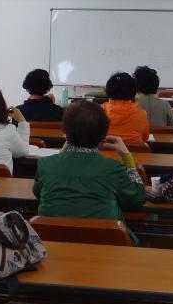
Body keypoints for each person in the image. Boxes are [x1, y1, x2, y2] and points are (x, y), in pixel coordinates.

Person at [33, 100, 147, 245]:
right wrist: (127, 157)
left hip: (54, 245)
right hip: (106, 246)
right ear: (103, 135)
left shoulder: (45, 165)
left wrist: (61, 154)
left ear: (65, 132)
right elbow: (137, 198)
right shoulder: (113, 168)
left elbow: (39, 193)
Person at [101, 72, 150, 143]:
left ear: (108, 90)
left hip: (105, 149)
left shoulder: (100, 111)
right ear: (134, 92)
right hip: (134, 150)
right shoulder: (142, 114)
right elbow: (145, 138)